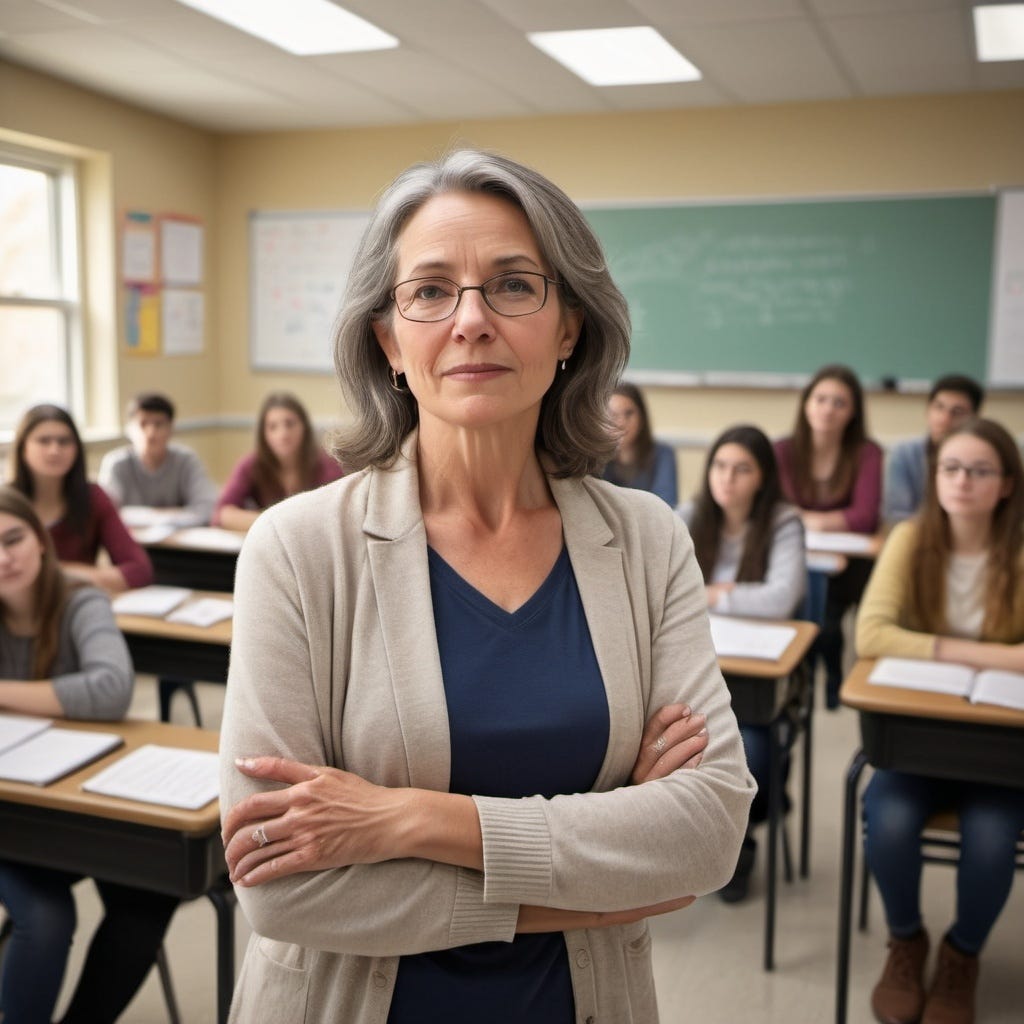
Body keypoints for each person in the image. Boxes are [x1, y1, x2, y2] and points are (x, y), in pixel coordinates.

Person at [219, 149, 754, 1024]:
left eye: (512, 285)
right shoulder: (297, 548)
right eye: (430, 291)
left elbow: (706, 830)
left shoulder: (649, 540)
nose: (471, 320)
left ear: (569, 326)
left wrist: (410, 820)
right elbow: (284, 888)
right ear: (389, 339)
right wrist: (601, 875)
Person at [856, 417, 1024, 1024]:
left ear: (1006, 484)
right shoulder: (911, 538)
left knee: (991, 841)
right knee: (890, 819)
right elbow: (870, 634)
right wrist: (998, 656)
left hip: (1001, 753)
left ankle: (962, 956)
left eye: (980, 471)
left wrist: (929, 644)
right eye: (950, 468)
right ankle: (907, 940)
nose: (962, 482)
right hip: (919, 741)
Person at [0, 485, 178, 1024]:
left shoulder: (81, 598)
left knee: (149, 896)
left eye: (14, 539)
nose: (3, 558)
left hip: (73, 802)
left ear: (42, 542)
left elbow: (110, 689)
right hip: (9, 813)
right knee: (48, 916)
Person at [678, 425, 806, 902]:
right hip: (696, 669)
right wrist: (731, 597)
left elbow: (780, 599)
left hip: (761, 676)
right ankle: (693, 836)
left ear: (762, 477)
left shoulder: (782, 522)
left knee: (753, 745)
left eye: (742, 469)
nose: (727, 478)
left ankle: (741, 838)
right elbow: (657, 587)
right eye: (719, 466)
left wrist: (708, 595)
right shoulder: (689, 515)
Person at [774, 364, 882, 709]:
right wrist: (826, 520)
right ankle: (805, 673)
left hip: (849, 562)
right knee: (806, 594)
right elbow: (775, 509)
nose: (828, 409)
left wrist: (809, 521)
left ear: (853, 412)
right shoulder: (782, 450)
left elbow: (864, 517)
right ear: (806, 404)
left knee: (831, 611)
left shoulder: (867, 452)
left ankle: (831, 671)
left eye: (839, 402)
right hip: (795, 554)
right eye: (821, 399)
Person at [8, 405, 152, 594]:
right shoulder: (6, 503)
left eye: (64, 441)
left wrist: (54, 571)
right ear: (23, 447)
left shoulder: (94, 496)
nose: (54, 450)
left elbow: (140, 572)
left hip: (76, 605)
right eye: (44, 441)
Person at [213, 390, 343, 531]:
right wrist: (273, 522)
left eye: (290, 424)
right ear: (264, 434)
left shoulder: (327, 465)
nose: (283, 434)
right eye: (273, 427)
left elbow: (339, 515)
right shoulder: (251, 465)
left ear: (304, 427)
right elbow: (222, 514)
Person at [98, 391, 218, 528]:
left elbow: (207, 510)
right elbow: (107, 513)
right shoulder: (116, 463)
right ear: (128, 429)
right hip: (133, 542)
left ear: (171, 429)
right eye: (143, 424)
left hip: (180, 544)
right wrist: (163, 514)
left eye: (158, 424)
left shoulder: (187, 460)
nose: (151, 433)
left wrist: (143, 517)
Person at [883, 374, 984, 524]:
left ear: (974, 418)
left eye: (957, 412)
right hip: (915, 539)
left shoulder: (983, 459)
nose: (945, 419)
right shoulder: (904, 453)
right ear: (927, 411)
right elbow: (897, 516)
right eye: (939, 407)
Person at [602, 381, 679, 505]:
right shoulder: (595, 457)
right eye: (613, 415)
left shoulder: (663, 454)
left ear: (642, 417)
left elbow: (665, 504)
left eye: (629, 414)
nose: (621, 423)